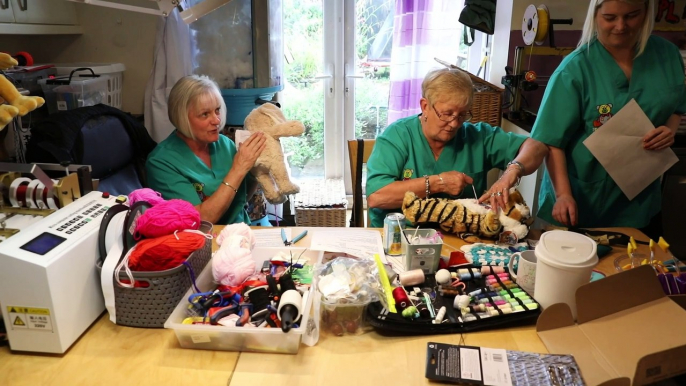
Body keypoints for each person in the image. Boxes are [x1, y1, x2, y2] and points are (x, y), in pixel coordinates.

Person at [530, 0, 685, 236]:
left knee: (639, 267)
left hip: (639, 197)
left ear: (646, 12)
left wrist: (669, 130)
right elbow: (551, 140)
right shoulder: (575, 69)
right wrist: (562, 194)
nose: (621, 26)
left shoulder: (667, 55)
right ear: (595, 16)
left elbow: (677, 105)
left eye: (632, 15)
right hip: (581, 197)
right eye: (610, 18)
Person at [366, 68, 549, 228]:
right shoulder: (397, 136)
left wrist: (511, 172)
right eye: (447, 114)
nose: (454, 124)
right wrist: (437, 183)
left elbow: (536, 147)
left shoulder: (478, 136)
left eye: (462, 115)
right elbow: (377, 196)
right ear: (425, 106)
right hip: (399, 237)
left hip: (462, 239)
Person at [146, 75, 267, 225]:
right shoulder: (161, 163)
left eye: (217, 110)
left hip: (241, 234)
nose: (216, 120)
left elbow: (239, 199)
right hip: (204, 242)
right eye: (205, 114)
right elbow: (201, 219)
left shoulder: (224, 144)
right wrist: (239, 168)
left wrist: (256, 169)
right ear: (182, 118)